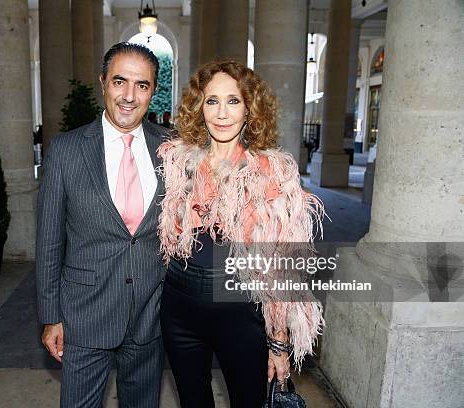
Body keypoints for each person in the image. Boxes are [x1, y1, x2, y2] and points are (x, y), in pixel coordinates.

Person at [157, 60, 326, 407]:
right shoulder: (177, 162)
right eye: (212, 100)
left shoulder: (272, 172)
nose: (222, 113)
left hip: (241, 314)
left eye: (233, 101)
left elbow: (284, 266)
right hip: (179, 310)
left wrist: (278, 342)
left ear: (249, 108)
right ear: (198, 107)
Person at [36, 42, 168, 408]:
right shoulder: (66, 149)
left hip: (149, 314)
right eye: (119, 82)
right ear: (103, 83)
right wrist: (51, 317)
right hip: (85, 314)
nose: (129, 96)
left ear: (152, 91)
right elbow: (49, 241)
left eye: (142, 85)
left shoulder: (171, 148)